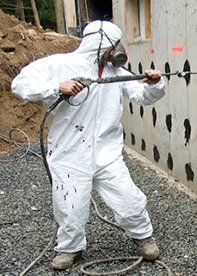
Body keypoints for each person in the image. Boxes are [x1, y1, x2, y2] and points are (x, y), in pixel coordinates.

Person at [11, 20, 165, 270]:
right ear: (99, 43)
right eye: (114, 45)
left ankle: (143, 237)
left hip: (107, 153)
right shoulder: (59, 65)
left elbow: (142, 97)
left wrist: (154, 83)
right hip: (69, 153)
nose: (117, 50)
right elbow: (19, 84)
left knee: (129, 198)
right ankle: (70, 249)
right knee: (70, 206)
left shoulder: (115, 73)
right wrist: (55, 86)